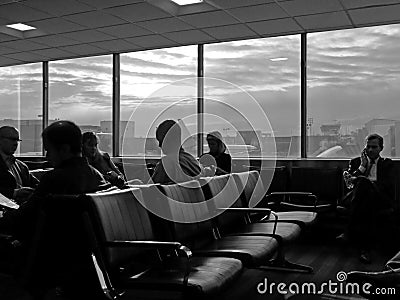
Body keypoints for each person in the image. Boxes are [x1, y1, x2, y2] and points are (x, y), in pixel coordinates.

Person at [337, 133, 395, 264]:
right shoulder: (356, 162)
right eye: (368, 147)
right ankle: (365, 249)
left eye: (374, 147)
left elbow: (388, 186)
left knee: (364, 184)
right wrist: (362, 168)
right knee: (365, 198)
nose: (370, 150)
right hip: (360, 198)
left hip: (379, 196)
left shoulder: (387, 164)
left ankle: (349, 231)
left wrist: (368, 183)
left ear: (381, 148)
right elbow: (349, 185)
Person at [150, 119, 203, 184]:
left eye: (161, 141)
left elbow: (149, 189)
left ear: (171, 140)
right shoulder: (192, 161)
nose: (159, 145)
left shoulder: (166, 164)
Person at [0, 126, 39, 203]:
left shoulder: (21, 166)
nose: (16, 143)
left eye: (17, 140)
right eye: (12, 139)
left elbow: (36, 184)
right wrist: (14, 193)